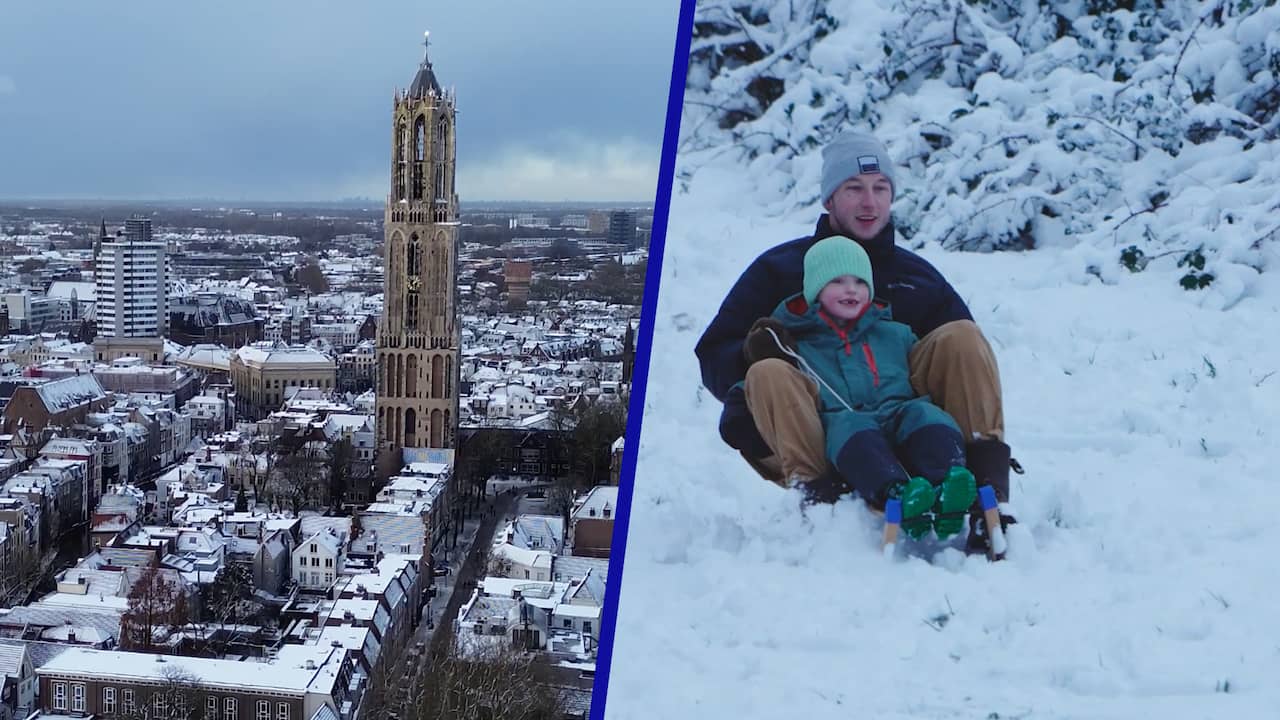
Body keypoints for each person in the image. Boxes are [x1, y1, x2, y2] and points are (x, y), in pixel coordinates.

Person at [695, 131, 1015, 548]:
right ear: (829, 199)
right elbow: (715, 352)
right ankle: (824, 505)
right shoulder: (778, 272)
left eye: (880, 188)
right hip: (819, 435)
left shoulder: (915, 279)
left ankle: (979, 494)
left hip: (912, 424)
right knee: (769, 369)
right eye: (854, 189)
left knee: (963, 337)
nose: (870, 202)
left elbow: (965, 367)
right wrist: (754, 362)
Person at [756, 235, 976, 538]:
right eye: (838, 281)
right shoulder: (801, 345)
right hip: (846, 430)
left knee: (925, 414)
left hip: (899, 415)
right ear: (815, 290)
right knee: (851, 426)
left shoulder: (895, 333)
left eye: (860, 282)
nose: (851, 289)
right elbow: (777, 393)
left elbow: (921, 372)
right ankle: (897, 493)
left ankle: (947, 481)